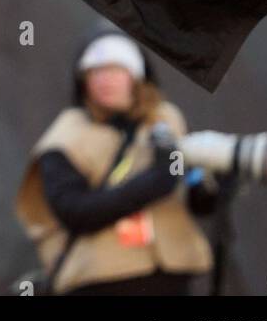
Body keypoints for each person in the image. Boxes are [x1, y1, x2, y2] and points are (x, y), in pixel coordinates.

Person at [15, 27, 218, 296]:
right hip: (102, 281)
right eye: (95, 72)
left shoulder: (166, 120)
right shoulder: (64, 138)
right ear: (83, 80)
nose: (104, 80)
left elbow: (199, 199)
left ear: (135, 77)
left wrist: (210, 186)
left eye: (115, 70)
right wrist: (155, 182)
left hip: (171, 276)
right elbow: (75, 212)